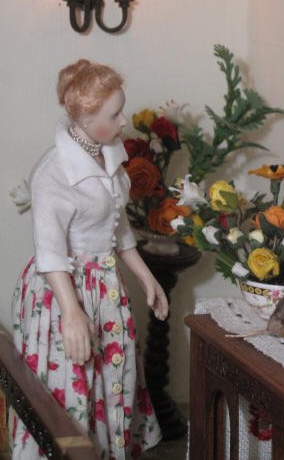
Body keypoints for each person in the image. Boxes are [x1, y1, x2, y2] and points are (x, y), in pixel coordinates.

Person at [10, 60, 167, 459]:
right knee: (72, 382)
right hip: (64, 292)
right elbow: (50, 253)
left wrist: (147, 277)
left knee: (110, 380)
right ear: (84, 117)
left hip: (106, 291)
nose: (124, 120)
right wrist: (71, 313)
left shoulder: (109, 155)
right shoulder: (55, 173)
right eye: (114, 114)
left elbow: (118, 230)